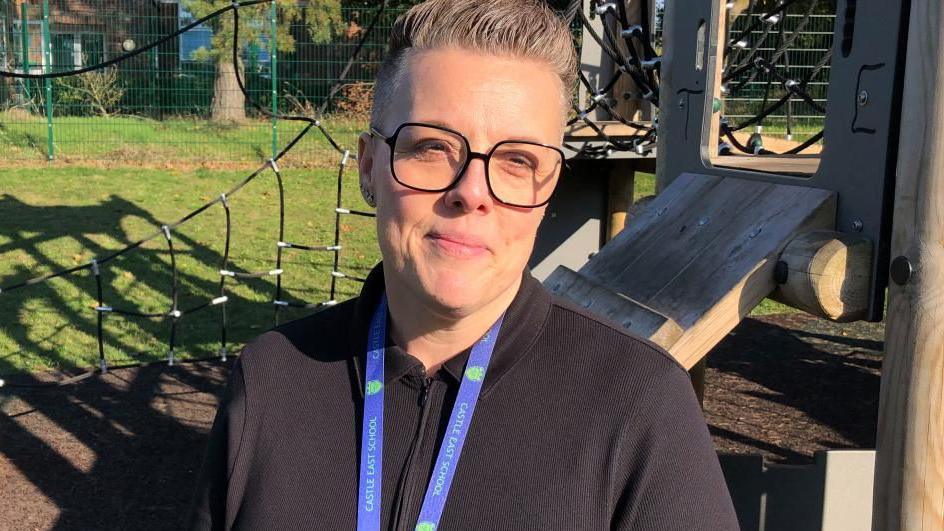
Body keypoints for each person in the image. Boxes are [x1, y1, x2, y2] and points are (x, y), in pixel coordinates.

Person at [189, 0, 739, 529]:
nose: (471, 191)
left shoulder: (640, 403)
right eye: (430, 148)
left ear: (548, 188)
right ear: (367, 167)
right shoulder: (273, 378)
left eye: (517, 159)